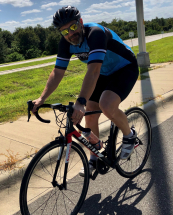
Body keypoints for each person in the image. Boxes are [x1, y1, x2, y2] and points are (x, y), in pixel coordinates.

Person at [32, 6, 139, 176]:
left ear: (80, 23)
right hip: (104, 72)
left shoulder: (95, 33)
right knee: (89, 114)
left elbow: (93, 71)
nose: (70, 33)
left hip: (125, 68)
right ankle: (94, 157)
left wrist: (80, 101)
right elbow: (58, 72)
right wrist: (42, 98)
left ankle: (129, 135)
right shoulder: (66, 43)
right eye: (64, 31)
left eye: (73, 27)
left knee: (106, 104)